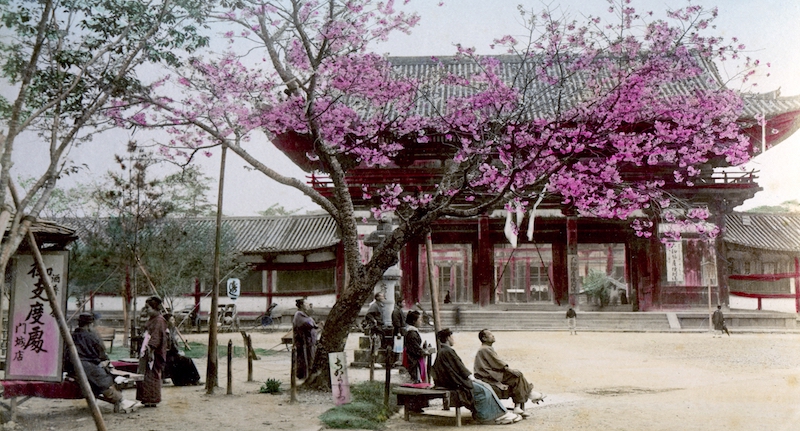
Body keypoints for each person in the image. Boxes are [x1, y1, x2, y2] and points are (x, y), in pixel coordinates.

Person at [431, 328, 521, 425]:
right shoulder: (447, 351)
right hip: (456, 383)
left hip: (454, 381)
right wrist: (469, 377)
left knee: (485, 387)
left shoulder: (443, 351)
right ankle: (493, 415)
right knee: (484, 389)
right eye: (452, 337)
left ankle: (500, 413)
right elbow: (459, 367)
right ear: (448, 338)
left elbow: (454, 369)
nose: (453, 339)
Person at [66, 312, 141, 413]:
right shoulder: (92, 336)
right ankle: (122, 400)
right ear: (90, 324)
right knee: (104, 379)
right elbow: (101, 354)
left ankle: (121, 400)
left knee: (99, 377)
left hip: (73, 368)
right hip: (88, 366)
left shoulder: (72, 336)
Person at [473, 329, 545, 418]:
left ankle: (520, 403)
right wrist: (509, 369)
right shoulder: (485, 349)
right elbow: (497, 362)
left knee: (517, 376)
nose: (493, 336)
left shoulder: (486, 348)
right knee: (517, 376)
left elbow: (495, 363)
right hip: (488, 376)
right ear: (484, 338)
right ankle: (525, 397)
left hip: (491, 374)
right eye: (490, 335)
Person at [137, 296, 169, 407]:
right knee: (146, 374)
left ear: (155, 308)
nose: (146, 310)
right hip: (147, 348)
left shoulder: (159, 320)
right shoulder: (152, 319)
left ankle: (152, 398)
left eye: (148, 308)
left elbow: (156, 337)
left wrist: (151, 349)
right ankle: (145, 398)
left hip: (154, 351)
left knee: (152, 374)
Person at [164, 313, 201, 386]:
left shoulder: (171, 331)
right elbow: (169, 346)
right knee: (185, 360)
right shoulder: (165, 332)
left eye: (173, 319)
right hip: (167, 355)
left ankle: (192, 380)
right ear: (166, 321)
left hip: (171, 353)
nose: (173, 321)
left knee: (185, 359)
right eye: (171, 320)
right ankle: (188, 380)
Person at [293, 297, 319, 379]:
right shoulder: (299, 314)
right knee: (304, 358)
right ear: (301, 305)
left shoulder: (305, 314)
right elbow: (308, 324)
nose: (308, 306)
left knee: (309, 357)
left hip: (309, 341)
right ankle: (303, 375)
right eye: (306, 304)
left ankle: (307, 374)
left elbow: (312, 322)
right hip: (302, 341)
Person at [403, 310, 432, 383]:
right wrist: (424, 352)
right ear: (414, 321)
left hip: (413, 358)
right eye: (419, 320)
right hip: (413, 360)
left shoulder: (412, 332)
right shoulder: (412, 334)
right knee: (416, 379)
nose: (421, 322)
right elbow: (415, 348)